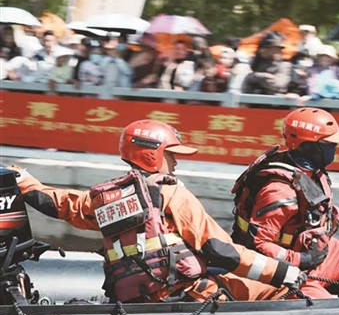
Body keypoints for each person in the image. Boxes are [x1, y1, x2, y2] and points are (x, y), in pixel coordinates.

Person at [10, 120, 303, 303]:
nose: (175, 163)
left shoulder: (105, 198)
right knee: (281, 291)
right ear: (153, 155)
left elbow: (63, 205)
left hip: (136, 298)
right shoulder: (171, 192)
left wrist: (25, 183)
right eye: (171, 155)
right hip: (188, 295)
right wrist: (282, 272)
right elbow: (220, 249)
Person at [231, 108, 339, 299]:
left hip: (313, 256)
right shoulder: (279, 191)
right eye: (329, 143)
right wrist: (301, 260)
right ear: (308, 146)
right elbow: (259, 244)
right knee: (324, 306)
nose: (335, 147)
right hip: (285, 272)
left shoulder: (310, 172)